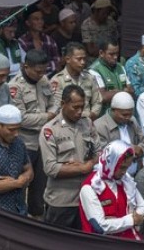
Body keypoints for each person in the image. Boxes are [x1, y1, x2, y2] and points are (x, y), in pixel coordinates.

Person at [39, 84, 99, 229]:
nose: (79, 112)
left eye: (82, 107)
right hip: (61, 201)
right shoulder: (50, 130)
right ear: (62, 104)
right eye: (75, 107)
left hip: (86, 198)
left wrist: (86, 165)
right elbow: (50, 168)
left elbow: (99, 154)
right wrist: (84, 168)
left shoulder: (88, 124)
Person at [9, 49, 57, 218]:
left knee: (40, 186)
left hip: (44, 141)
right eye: (37, 71)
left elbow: (54, 102)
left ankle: (37, 216)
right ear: (26, 66)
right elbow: (20, 118)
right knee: (21, 183)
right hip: (25, 142)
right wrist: (47, 117)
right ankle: (19, 218)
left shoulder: (44, 80)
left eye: (44, 70)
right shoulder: (15, 86)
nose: (41, 74)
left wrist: (50, 113)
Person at [79, 140, 144, 239]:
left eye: (127, 168)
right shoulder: (90, 187)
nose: (124, 172)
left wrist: (114, 222)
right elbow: (100, 226)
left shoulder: (126, 181)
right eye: (122, 167)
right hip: (101, 244)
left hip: (128, 241)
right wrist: (131, 220)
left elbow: (142, 207)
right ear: (111, 162)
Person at [94, 91, 144, 173]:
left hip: (134, 174)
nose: (128, 118)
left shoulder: (132, 120)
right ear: (113, 110)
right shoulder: (100, 126)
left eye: (130, 114)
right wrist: (130, 150)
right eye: (124, 115)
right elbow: (104, 154)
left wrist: (140, 149)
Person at [50, 41, 102, 120]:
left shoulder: (89, 77)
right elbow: (57, 108)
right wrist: (84, 116)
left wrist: (92, 115)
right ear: (68, 59)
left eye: (84, 59)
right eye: (79, 59)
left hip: (88, 123)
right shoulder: (57, 80)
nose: (83, 62)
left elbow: (97, 101)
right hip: (67, 124)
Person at [88, 36, 132, 112]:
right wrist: (123, 91)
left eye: (117, 53)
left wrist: (114, 92)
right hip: (105, 116)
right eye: (111, 54)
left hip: (123, 113)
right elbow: (103, 97)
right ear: (101, 53)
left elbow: (131, 90)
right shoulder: (94, 70)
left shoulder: (120, 67)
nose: (115, 57)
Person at [17, 7, 59, 74]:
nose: (40, 22)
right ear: (28, 23)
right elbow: (27, 66)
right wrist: (48, 66)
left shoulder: (49, 40)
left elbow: (57, 61)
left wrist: (39, 67)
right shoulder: (22, 42)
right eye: (36, 19)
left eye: (41, 19)